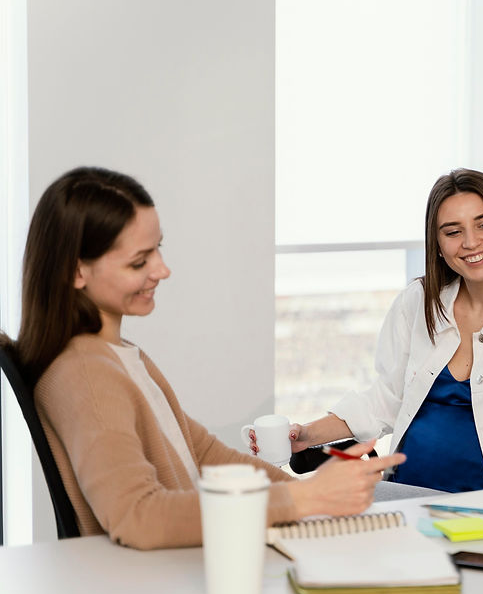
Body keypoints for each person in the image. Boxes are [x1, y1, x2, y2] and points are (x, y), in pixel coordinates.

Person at [0, 167, 404, 549]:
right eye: (140, 261)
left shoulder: (120, 357)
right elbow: (137, 516)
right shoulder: (86, 375)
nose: (162, 270)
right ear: (77, 272)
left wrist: (310, 494)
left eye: (158, 249)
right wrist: (304, 500)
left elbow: (204, 454)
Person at [252, 169, 483, 491]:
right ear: (438, 245)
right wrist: (305, 435)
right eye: (453, 232)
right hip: (404, 494)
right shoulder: (419, 301)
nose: (470, 242)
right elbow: (386, 398)